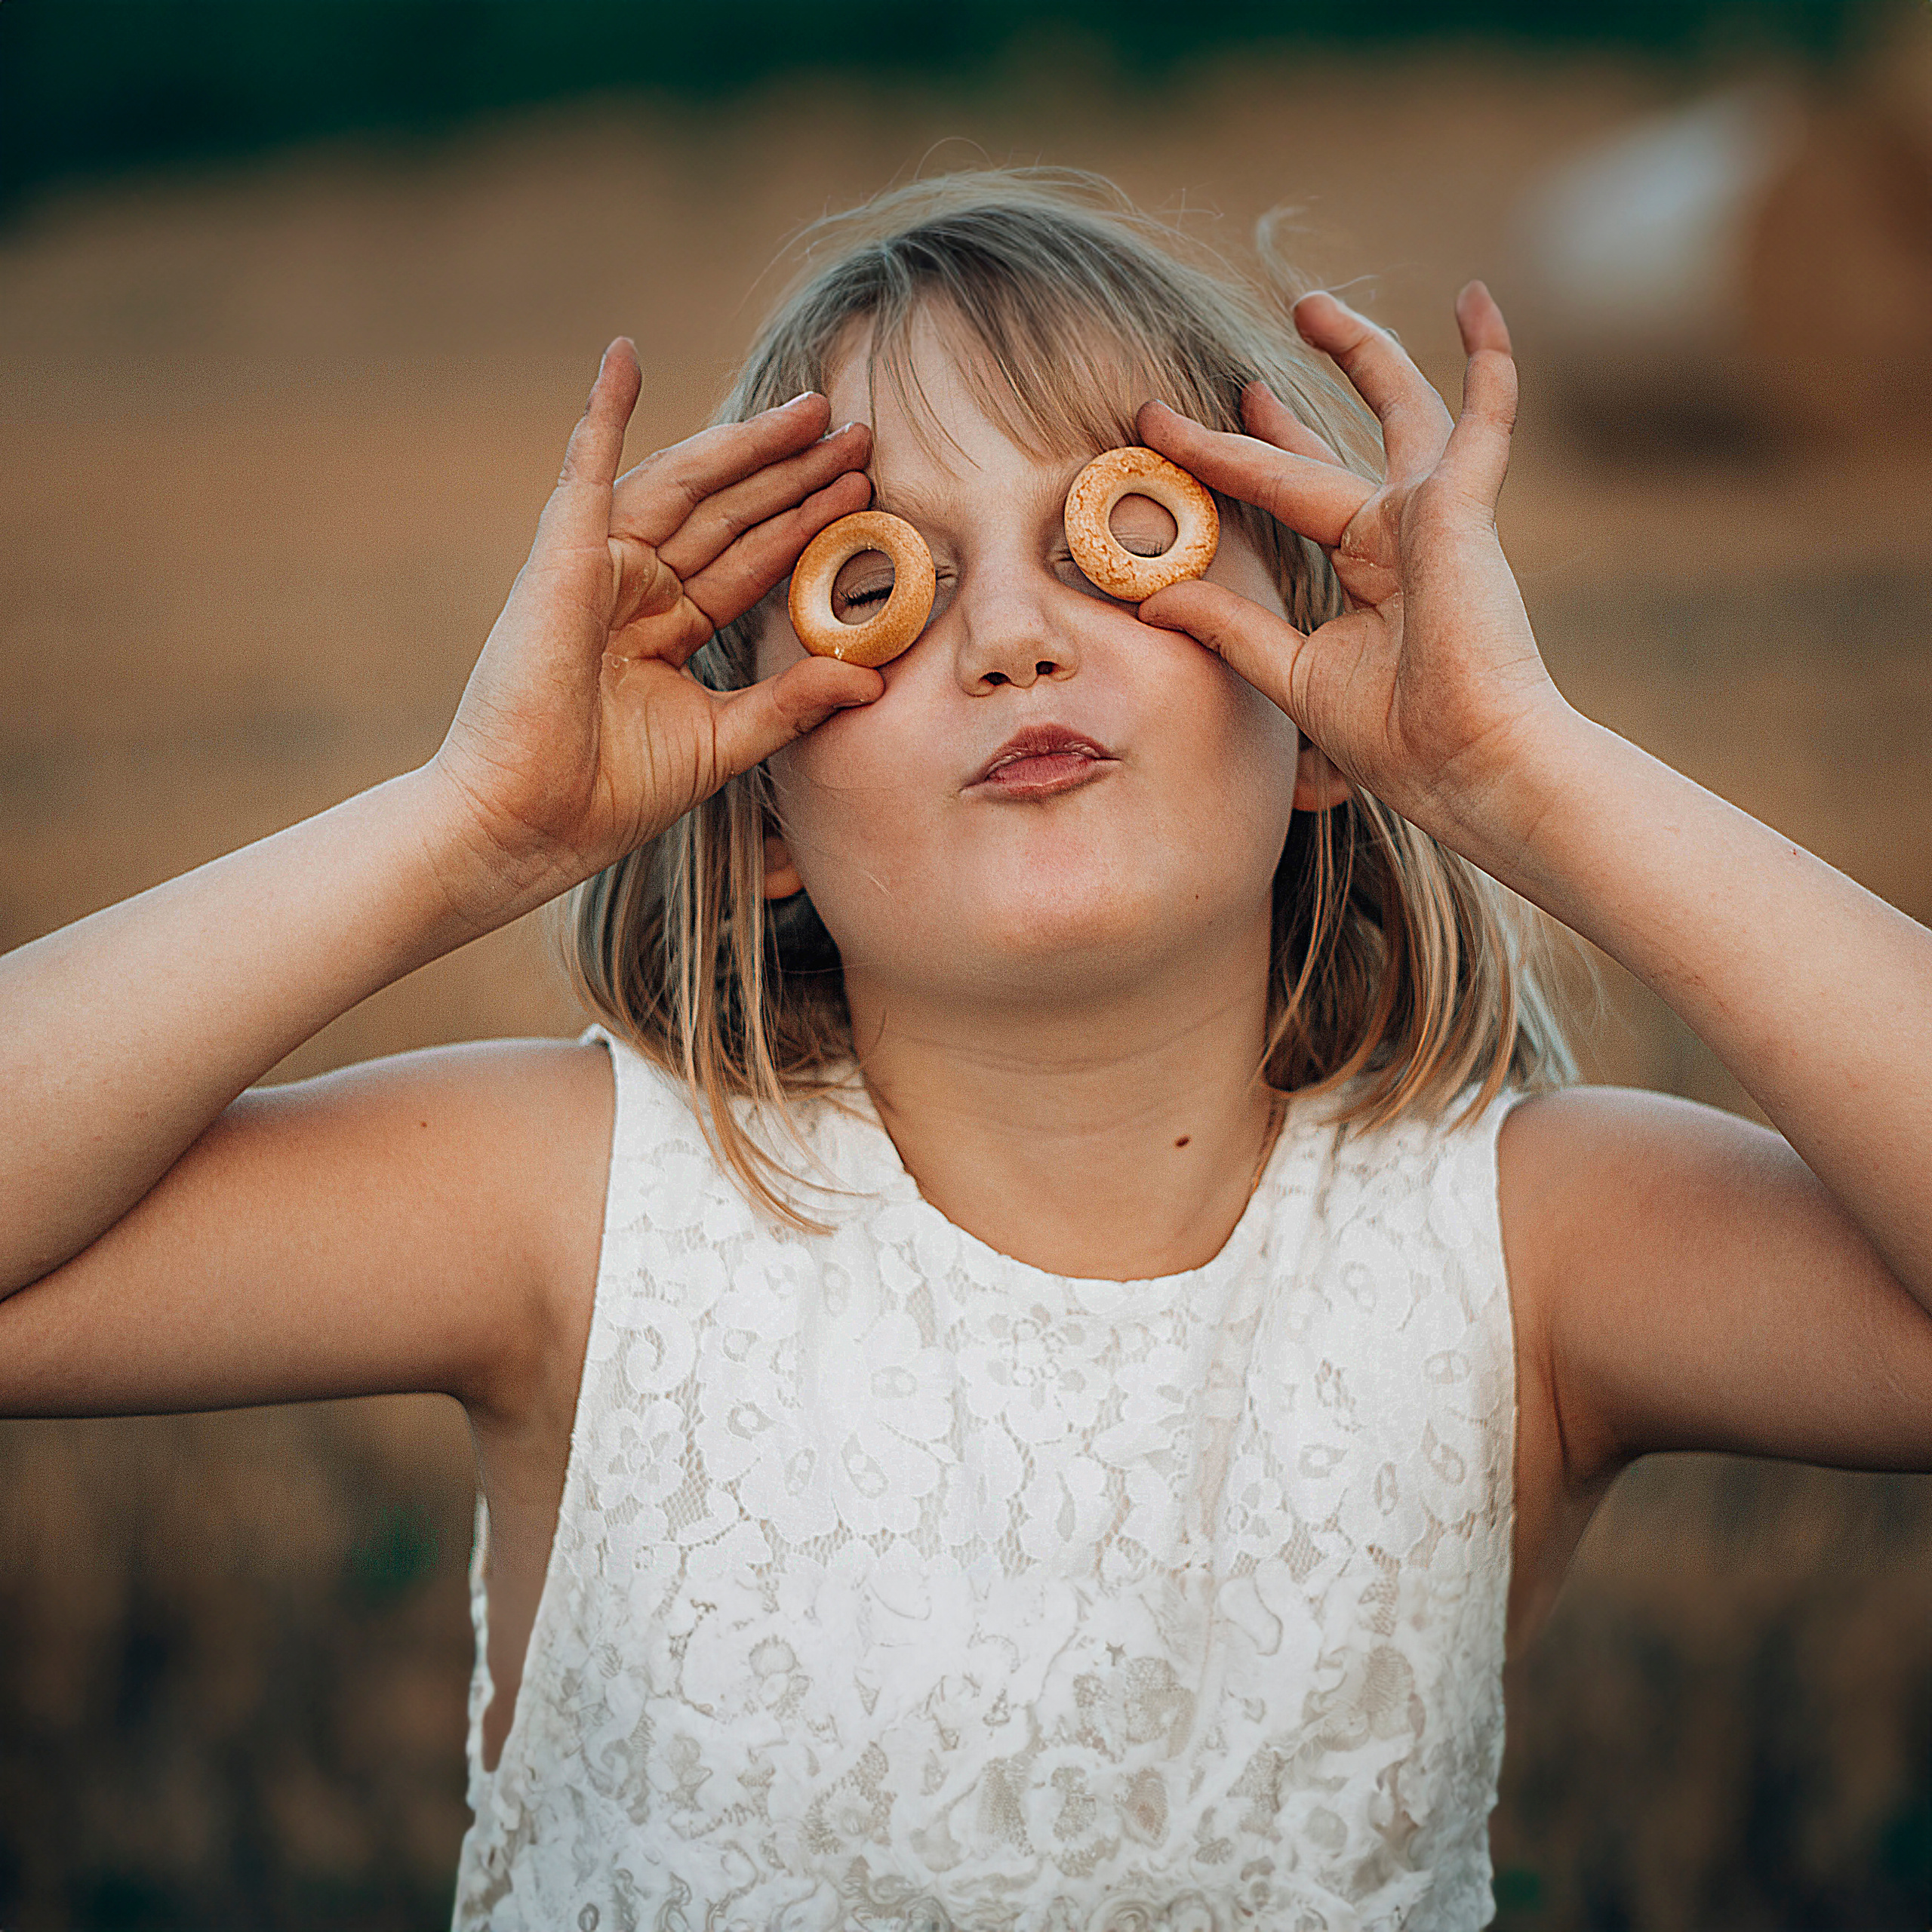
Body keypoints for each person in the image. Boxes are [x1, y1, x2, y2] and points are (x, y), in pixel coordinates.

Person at [2, 170, 1927, 1932]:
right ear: (755, 803)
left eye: (1120, 548)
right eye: (887, 582)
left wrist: (1528, 774)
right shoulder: (585, 1214)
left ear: (1329, 709)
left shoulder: (1531, 1252)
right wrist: (464, 828)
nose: (1009, 632)